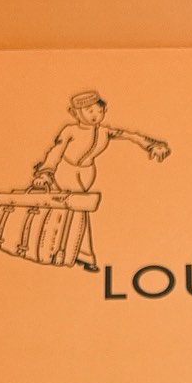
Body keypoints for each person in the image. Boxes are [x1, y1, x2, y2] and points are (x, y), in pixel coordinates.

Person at [28, 91, 170, 271]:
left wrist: (153, 145)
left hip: (87, 172)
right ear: (75, 113)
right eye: (89, 111)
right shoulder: (70, 130)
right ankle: (83, 255)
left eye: (99, 111)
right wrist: (45, 173)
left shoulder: (104, 131)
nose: (95, 115)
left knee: (75, 210)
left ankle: (68, 251)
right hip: (66, 169)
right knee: (78, 210)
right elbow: (56, 151)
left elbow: (131, 135)